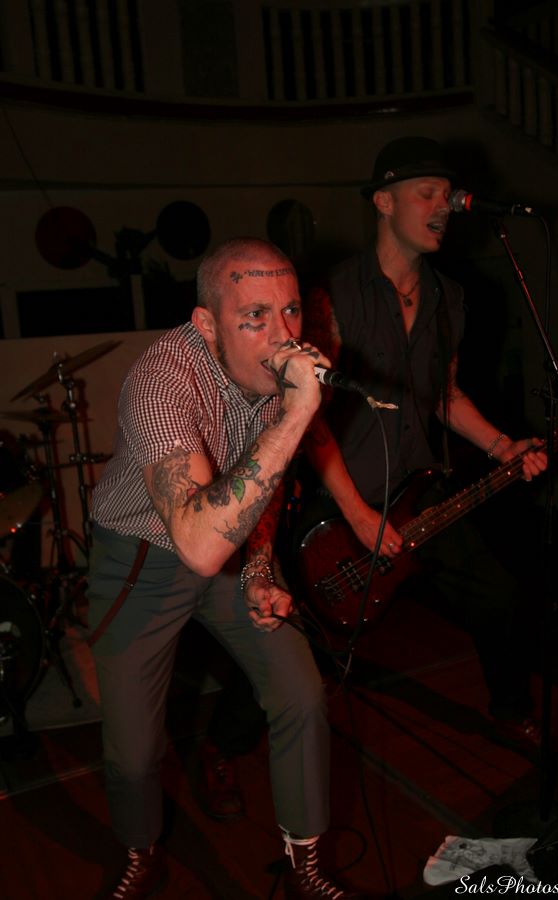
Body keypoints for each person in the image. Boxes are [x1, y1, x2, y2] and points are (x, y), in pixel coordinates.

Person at [87, 237, 362, 899]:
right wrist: (298, 412)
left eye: (291, 310)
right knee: (133, 751)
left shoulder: (272, 373)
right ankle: (141, 849)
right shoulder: (161, 380)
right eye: (255, 316)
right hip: (143, 557)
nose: (284, 335)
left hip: (229, 548)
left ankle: (305, 866)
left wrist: (261, 566)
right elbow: (198, 544)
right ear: (206, 324)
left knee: (301, 694)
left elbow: (259, 487)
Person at [299, 136, 548, 749]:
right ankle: (226, 746)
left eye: (448, 195)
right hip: (342, 499)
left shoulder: (447, 299)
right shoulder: (333, 295)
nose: (444, 206)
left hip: (419, 492)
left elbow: (445, 395)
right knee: (301, 631)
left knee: (499, 596)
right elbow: (307, 419)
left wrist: (502, 447)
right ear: (384, 202)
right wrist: (357, 514)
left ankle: (510, 708)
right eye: (428, 193)